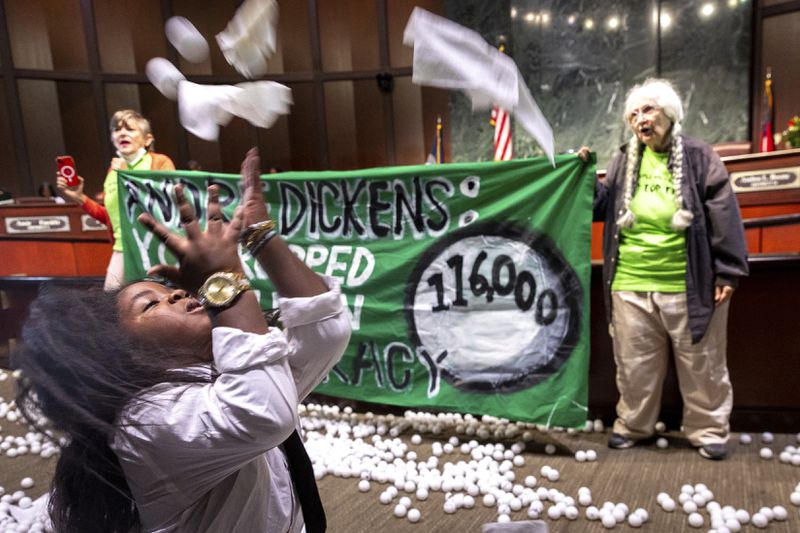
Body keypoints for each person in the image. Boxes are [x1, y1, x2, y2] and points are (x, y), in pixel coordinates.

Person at [15, 148, 351, 532]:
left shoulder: (222, 369)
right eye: (149, 305)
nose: (174, 294)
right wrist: (223, 279)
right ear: (131, 353)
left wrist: (260, 236)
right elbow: (265, 413)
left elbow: (325, 335)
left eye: (168, 290)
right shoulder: (145, 420)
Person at [589, 79, 748, 460]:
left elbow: (723, 213)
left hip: (689, 282)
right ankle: (634, 424)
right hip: (629, 282)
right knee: (634, 365)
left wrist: (728, 271)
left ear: (669, 113)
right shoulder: (623, 159)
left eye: (649, 110)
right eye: (634, 113)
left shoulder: (699, 156)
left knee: (702, 363)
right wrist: (581, 175)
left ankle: (708, 429)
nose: (641, 120)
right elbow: (601, 207)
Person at [57, 110, 175, 290]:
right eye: (116, 130)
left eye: (130, 129)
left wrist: (126, 174)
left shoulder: (159, 162)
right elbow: (111, 217)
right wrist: (80, 198)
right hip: (122, 248)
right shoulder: (112, 170)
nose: (122, 133)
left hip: (155, 247)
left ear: (148, 139)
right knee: (112, 304)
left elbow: (165, 205)